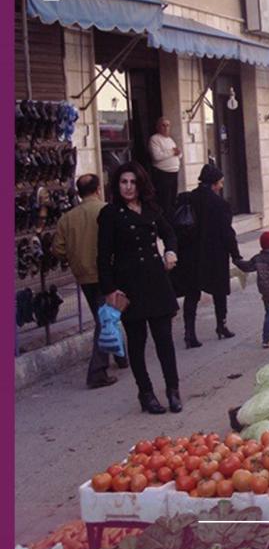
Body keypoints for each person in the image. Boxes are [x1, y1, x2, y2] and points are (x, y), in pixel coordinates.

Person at [97, 162, 181, 414]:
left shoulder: (152, 209)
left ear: (140, 184)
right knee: (137, 342)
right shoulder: (111, 214)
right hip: (129, 286)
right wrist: (110, 289)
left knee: (164, 340)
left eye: (133, 182)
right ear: (117, 185)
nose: (128, 187)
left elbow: (170, 234)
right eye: (123, 182)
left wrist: (170, 251)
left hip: (156, 281)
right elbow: (102, 256)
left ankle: (173, 390)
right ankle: (145, 393)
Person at [52, 174, 117, 389]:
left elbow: (58, 250)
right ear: (98, 189)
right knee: (106, 319)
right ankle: (97, 371)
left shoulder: (67, 218)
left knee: (106, 316)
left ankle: (120, 356)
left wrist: (75, 257)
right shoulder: (107, 211)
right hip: (107, 273)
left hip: (84, 275)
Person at [173, 164, 242, 348]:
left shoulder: (187, 199)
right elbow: (227, 233)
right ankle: (221, 325)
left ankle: (190, 333)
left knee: (191, 294)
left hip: (190, 254)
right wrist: (235, 255)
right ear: (214, 183)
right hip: (214, 254)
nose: (221, 186)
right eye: (220, 183)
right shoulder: (220, 204)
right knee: (219, 292)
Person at [235, 230, 269, 348]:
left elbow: (247, 267)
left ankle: (267, 338)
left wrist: (237, 261)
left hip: (267, 294)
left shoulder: (258, 259)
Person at [148, 117, 181, 218]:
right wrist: (172, 152)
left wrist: (178, 153)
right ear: (158, 127)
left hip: (174, 173)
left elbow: (178, 155)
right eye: (163, 125)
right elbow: (157, 156)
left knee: (172, 200)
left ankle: (172, 222)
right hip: (163, 174)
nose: (166, 128)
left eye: (168, 125)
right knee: (164, 201)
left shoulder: (170, 140)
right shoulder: (154, 139)